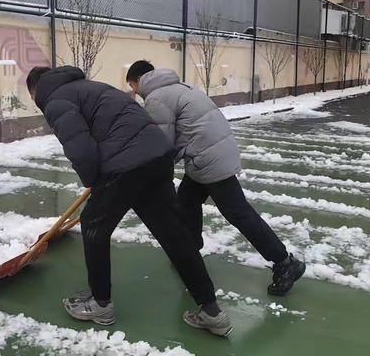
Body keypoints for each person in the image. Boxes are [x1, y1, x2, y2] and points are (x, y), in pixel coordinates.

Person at [26, 65, 233, 336]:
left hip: (126, 162)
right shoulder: (93, 87)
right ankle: (211, 310)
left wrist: (93, 180)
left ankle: (100, 303)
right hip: (157, 156)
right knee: (174, 233)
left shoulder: (56, 101)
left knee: (93, 224)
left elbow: (80, 148)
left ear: (36, 90)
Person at [126, 61, 306, 296]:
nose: (134, 92)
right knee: (187, 202)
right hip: (209, 154)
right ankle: (189, 254)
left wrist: (144, 172)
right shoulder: (179, 87)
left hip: (209, 159)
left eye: (132, 86)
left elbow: (161, 143)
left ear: (139, 80)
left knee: (238, 212)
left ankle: (284, 263)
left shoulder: (157, 97)